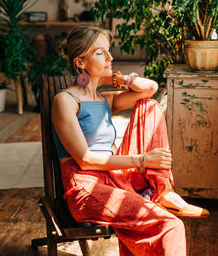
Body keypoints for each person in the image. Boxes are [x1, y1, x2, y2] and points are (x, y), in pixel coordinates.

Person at [52, 26, 209, 256]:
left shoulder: (105, 99)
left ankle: (162, 190)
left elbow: (151, 89)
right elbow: (84, 160)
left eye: (108, 51)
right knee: (171, 226)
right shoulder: (65, 100)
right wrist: (142, 160)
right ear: (80, 62)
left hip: (116, 178)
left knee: (149, 106)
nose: (110, 57)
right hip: (87, 187)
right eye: (100, 53)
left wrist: (120, 78)